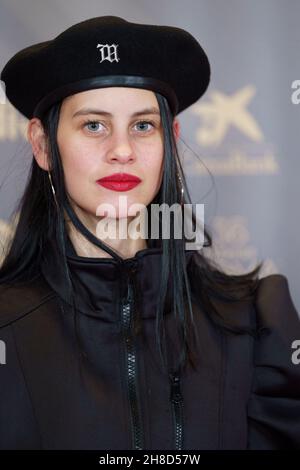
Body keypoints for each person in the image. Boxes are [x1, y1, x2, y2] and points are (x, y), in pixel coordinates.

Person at [0, 15, 299, 451]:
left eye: (143, 126)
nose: (122, 150)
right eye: (94, 125)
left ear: (170, 140)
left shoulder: (255, 323)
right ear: (43, 145)